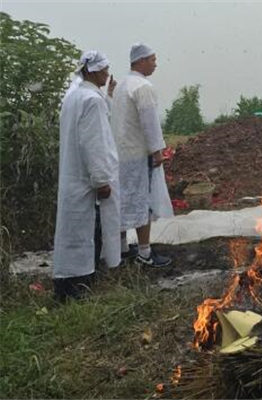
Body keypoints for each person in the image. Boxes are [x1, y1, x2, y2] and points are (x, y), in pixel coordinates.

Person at [53, 51, 121, 301]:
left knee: (74, 233)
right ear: (91, 71)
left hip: (74, 176)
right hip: (85, 179)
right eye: (103, 69)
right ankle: (78, 287)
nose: (107, 73)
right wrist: (101, 180)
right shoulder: (91, 100)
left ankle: (69, 285)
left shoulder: (74, 96)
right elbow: (95, 143)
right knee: (84, 234)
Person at [111, 43, 173, 267]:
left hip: (120, 154)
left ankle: (122, 248)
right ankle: (145, 254)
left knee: (122, 199)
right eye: (152, 59)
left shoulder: (121, 86)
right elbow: (150, 123)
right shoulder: (142, 86)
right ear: (141, 61)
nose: (155, 64)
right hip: (137, 155)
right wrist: (157, 151)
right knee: (142, 202)